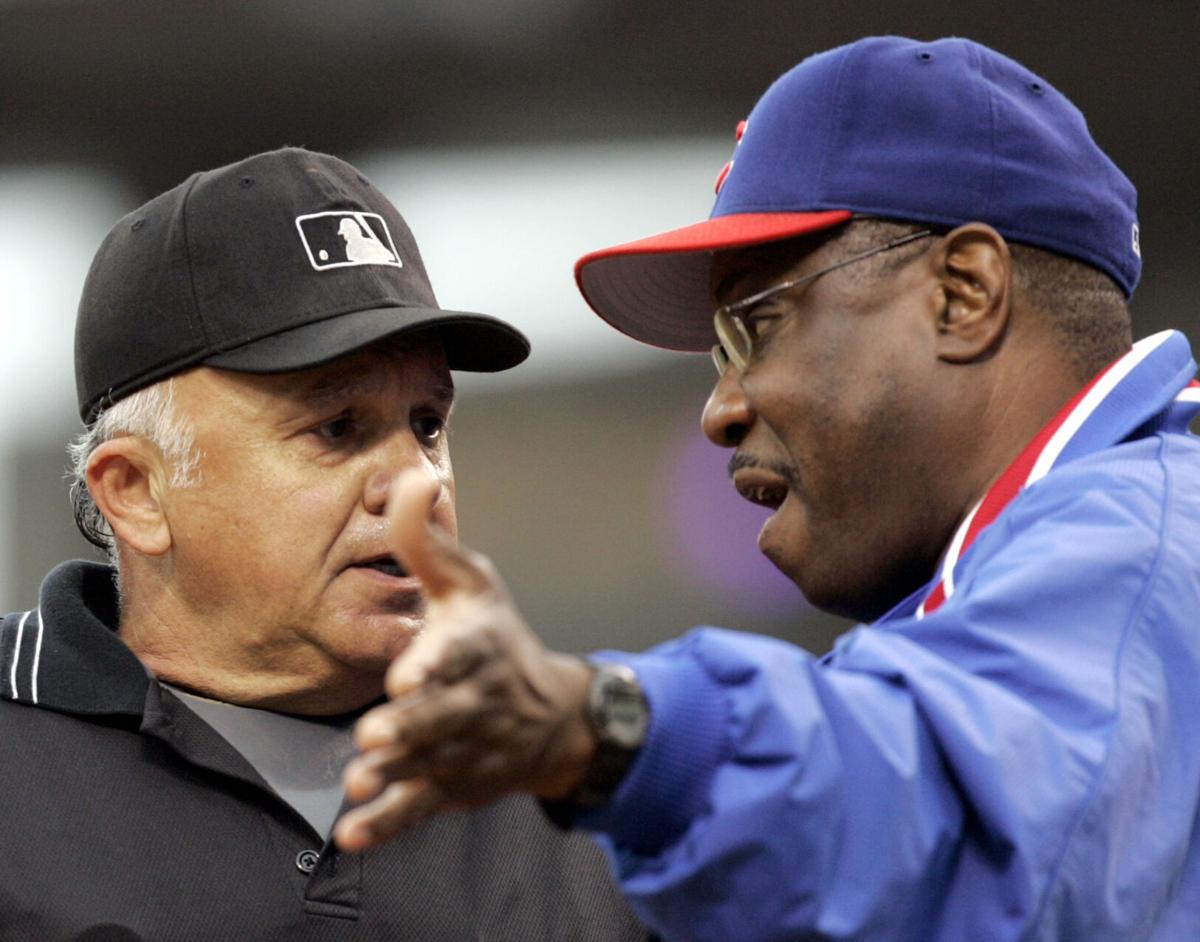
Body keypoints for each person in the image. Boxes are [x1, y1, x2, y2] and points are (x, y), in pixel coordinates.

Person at [334, 37, 1200, 942]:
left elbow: (946, 808)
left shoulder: (1145, 545)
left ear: (964, 293)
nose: (721, 407)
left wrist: (613, 728)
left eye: (758, 326)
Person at [0, 147, 651, 941]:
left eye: (428, 424)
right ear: (136, 492)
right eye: (337, 428)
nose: (417, 484)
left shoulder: (573, 772)